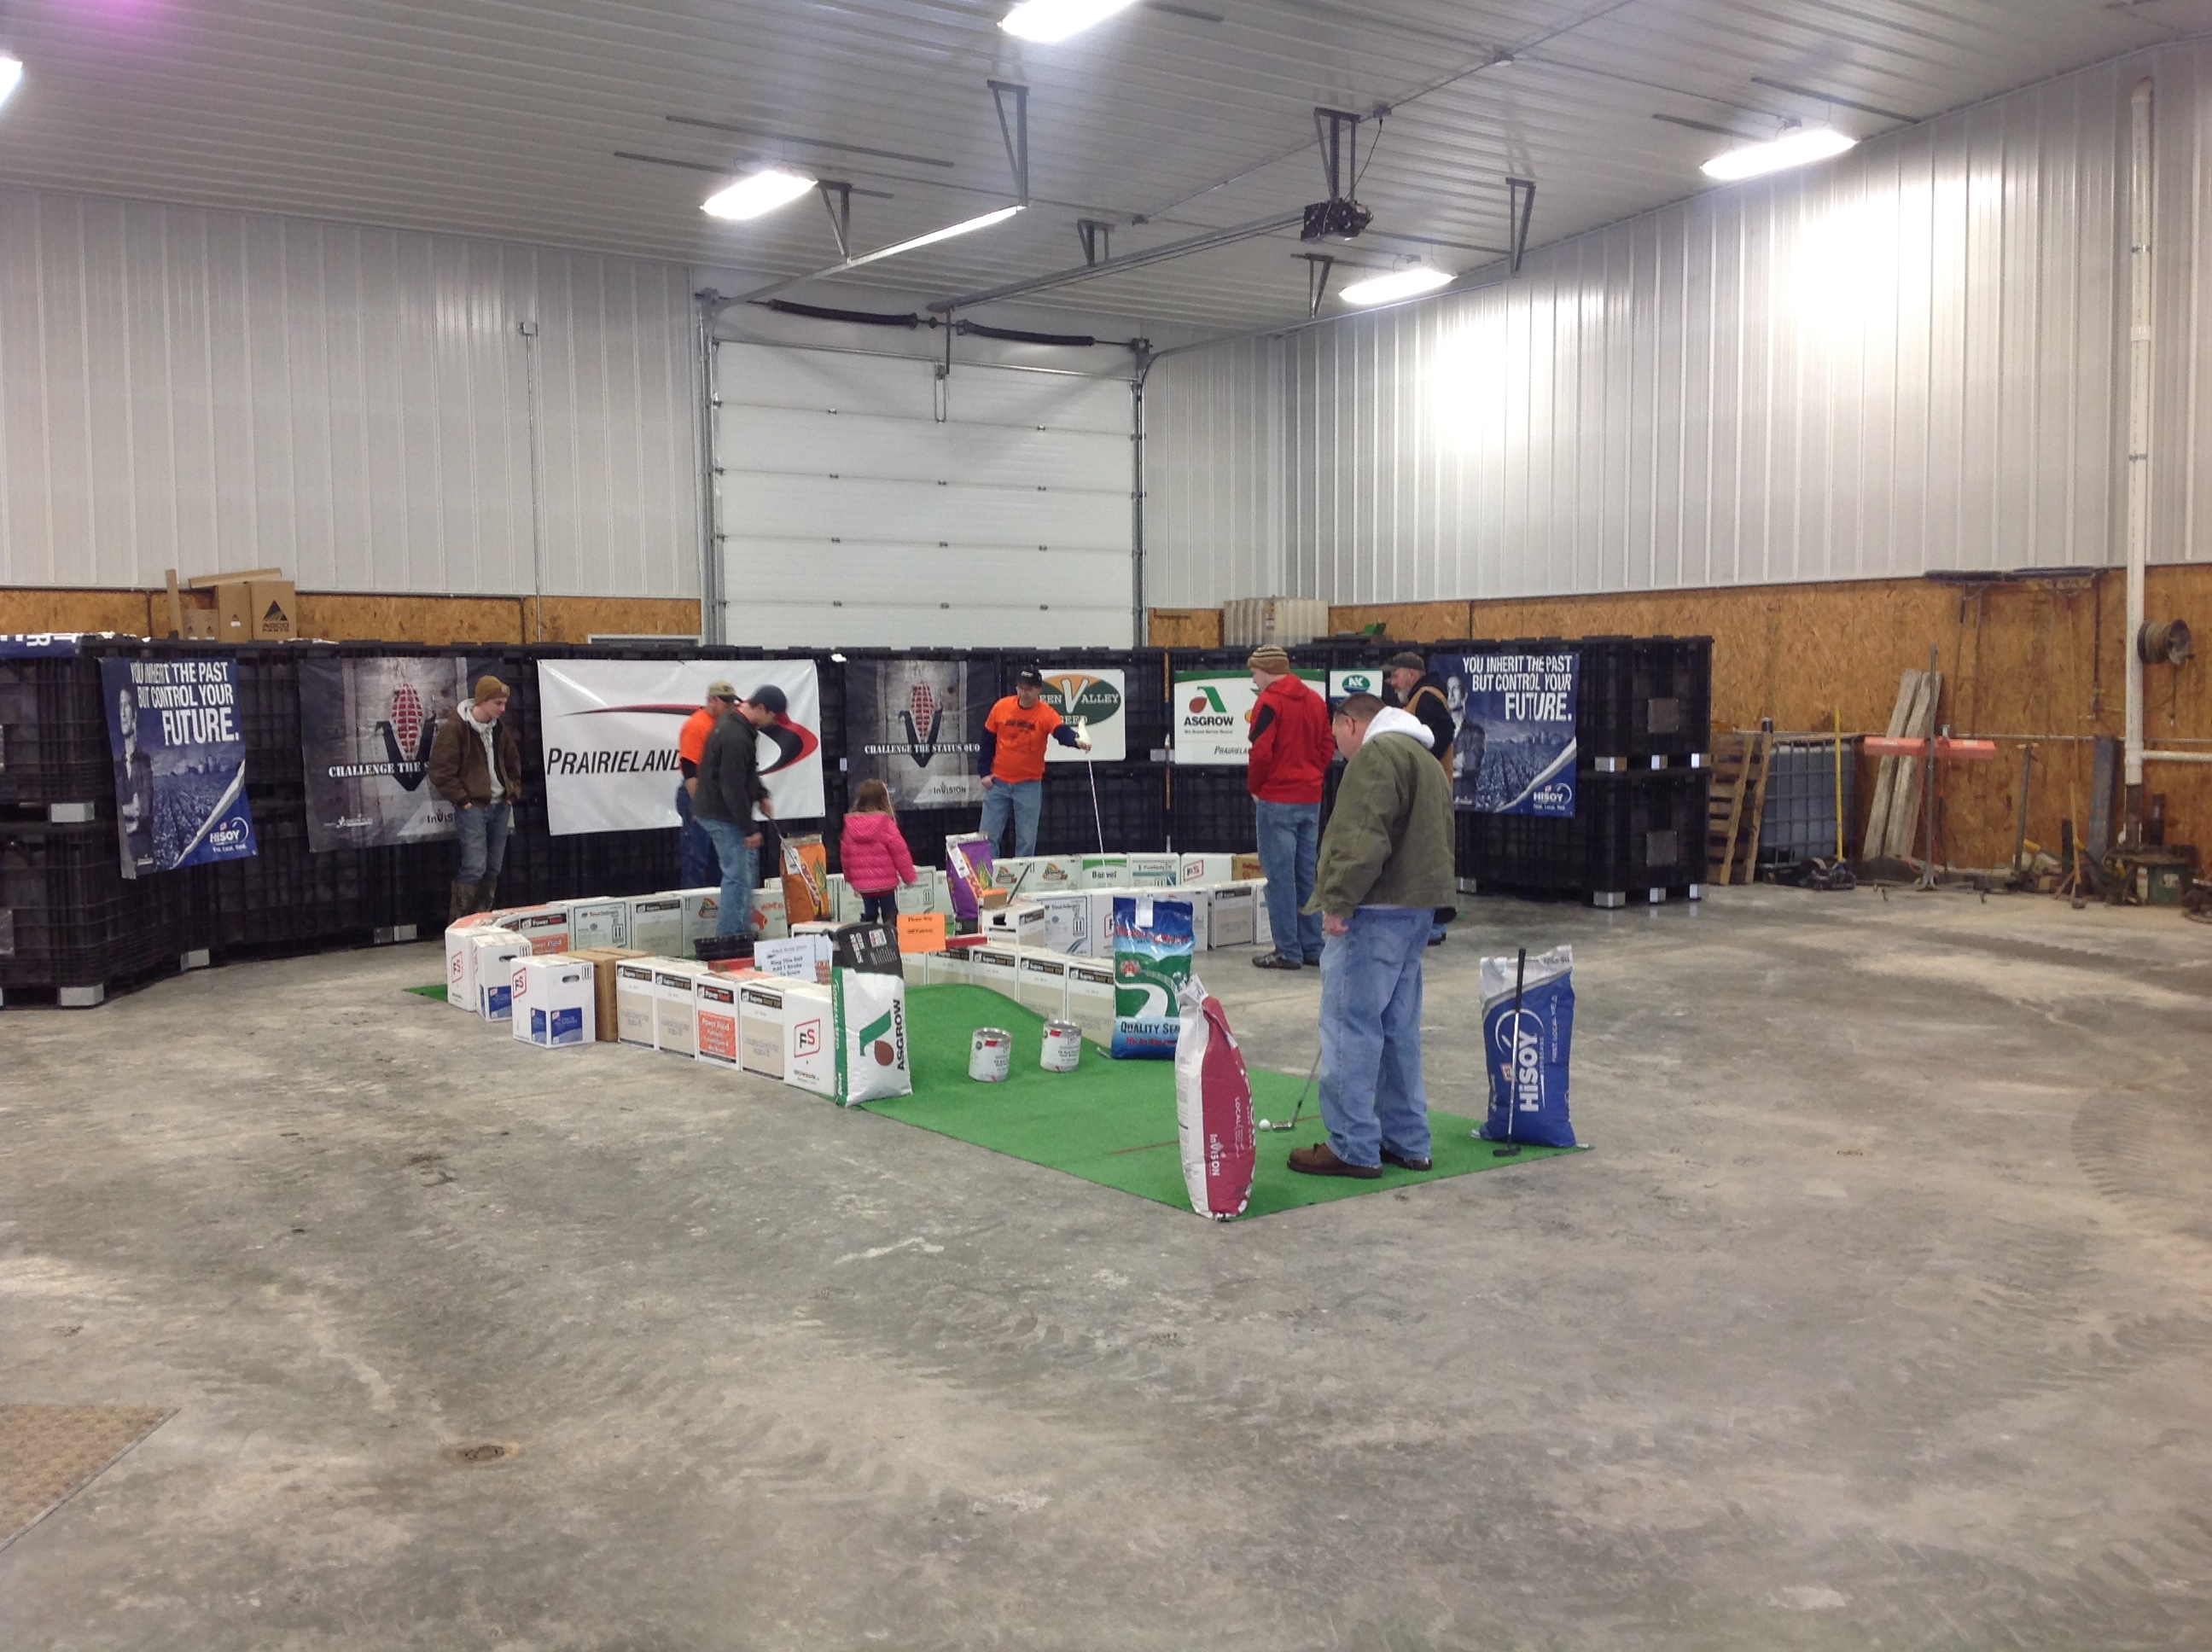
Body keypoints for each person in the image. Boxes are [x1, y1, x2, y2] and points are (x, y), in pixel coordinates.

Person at [1289, 692, 1455, 1179]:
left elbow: (1361, 835)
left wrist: (1338, 899)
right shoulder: (1425, 759)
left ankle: (1352, 1144)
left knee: (1350, 1026)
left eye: (1336, 735)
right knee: (1398, 1027)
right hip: (1416, 910)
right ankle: (1408, 1140)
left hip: (1375, 910)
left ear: (1350, 724)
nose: (1337, 748)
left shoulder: (1378, 756)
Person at [1244, 645, 1334, 970]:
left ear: (1268, 670)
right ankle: (1312, 947)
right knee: (1306, 875)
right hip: (1310, 799)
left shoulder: (1269, 702)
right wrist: (1311, 776)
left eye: (1255, 671)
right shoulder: (1315, 700)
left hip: (1277, 799)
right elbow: (1327, 746)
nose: (1254, 678)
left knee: (1280, 878)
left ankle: (1287, 951)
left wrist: (1257, 788)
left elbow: (1260, 752)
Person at [428, 675, 526, 920]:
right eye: (498, 703)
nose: (503, 709)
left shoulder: (499, 730)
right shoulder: (456, 729)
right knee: (474, 867)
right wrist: (463, 800)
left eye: (504, 703)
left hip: (500, 805)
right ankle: (460, 925)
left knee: (493, 868)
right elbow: (440, 770)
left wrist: (512, 793)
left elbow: (514, 763)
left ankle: (480, 920)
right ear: (482, 701)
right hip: (473, 808)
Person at [693, 684, 784, 939]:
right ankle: (730, 939)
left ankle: (740, 932)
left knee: (745, 872)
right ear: (761, 709)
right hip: (722, 813)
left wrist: (761, 794)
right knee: (738, 876)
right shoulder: (735, 735)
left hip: (719, 810)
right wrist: (748, 829)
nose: (773, 723)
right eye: (773, 717)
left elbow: (746, 771)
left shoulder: (737, 726)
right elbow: (731, 785)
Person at [1382, 649, 1459, 946]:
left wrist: (1422, 763)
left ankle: (1435, 924)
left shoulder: (1426, 697)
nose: (1392, 682)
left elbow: (1444, 731)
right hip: (1429, 790)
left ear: (1411, 674)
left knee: (1430, 857)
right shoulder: (1422, 696)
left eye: (1396, 675)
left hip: (1430, 792)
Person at [977, 667, 1089, 858]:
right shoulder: (1001, 707)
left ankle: (1023, 875)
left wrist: (1076, 741)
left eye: (1028, 689)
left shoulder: (1046, 713)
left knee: (1027, 840)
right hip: (998, 782)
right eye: (1020, 688)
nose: (1023, 693)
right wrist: (984, 772)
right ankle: (986, 874)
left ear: (1038, 690)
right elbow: (987, 740)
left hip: (1028, 784)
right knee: (987, 837)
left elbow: (1060, 732)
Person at [675, 680, 736, 889]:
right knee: (696, 858)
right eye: (725, 702)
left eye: (731, 703)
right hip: (699, 794)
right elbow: (690, 769)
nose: (730, 707)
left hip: (714, 796)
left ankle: (714, 905)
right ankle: (694, 907)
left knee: (716, 860)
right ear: (711, 700)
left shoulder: (722, 724)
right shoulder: (697, 725)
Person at [840, 779, 919, 922]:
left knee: (870, 912)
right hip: (886, 884)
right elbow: (900, 853)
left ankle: (869, 930)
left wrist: (850, 879)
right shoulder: (885, 823)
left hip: (863, 885)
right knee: (889, 911)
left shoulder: (850, 825)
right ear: (883, 799)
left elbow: (846, 856)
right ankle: (891, 932)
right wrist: (909, 878)